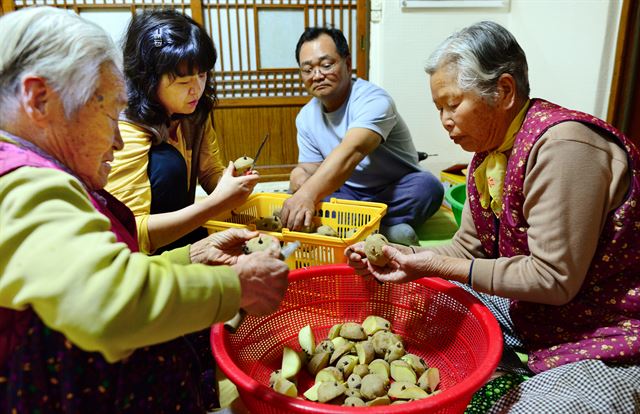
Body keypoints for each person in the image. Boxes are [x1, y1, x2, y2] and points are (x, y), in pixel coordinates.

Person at [0, 7, 289, 412]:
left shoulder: (193, 118)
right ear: (39, 99)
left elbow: (113, 267)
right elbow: (107, 301)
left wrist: (193, 254)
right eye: (107, 113)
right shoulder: (24, 181)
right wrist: (238, 286)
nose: (116, 141)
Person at [346, 21, 640, 412]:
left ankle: (513, 382)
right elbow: (466, 248)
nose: (445, 121)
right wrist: (404, 258)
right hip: (540, 311)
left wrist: (436, 262)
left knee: (569, 404)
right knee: (428, 296)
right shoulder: (488, 157)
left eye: (453, 104)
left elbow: (553, 279)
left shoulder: (566, 148)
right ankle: (502, 372)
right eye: (440, 109)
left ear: (503, 91)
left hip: (609, 324)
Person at [106, 9, 259, 255]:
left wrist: (232, 184)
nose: (197, 89)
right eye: (183, 82)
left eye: (202, 75)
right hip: (139, 253)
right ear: (148, 80)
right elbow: (131, 231)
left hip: (181, 231)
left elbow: (210, 172)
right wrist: (215, 203)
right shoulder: (127, 128)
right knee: (168, 162)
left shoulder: (193, 111)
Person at [279, 27, 444, 246]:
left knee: (428, 187)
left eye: (326, 65)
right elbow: (310, 170)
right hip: (348, 192)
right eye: (307, 69)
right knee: (306, 191)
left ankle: (351, 227)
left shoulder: (373, 101)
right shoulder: (306, 117)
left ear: (347, 64)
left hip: (395, 188)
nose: (317, 76)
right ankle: (384, 230)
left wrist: (308, 194)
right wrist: (299, 177)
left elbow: (352, 151)